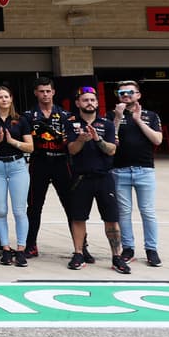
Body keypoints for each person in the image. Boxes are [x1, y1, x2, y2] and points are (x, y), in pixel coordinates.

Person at [65, 86, 129, 274]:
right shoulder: (71, 123)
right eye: (85, 100)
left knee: (111, 219)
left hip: (104, 177)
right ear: (78, 103)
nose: (89, 103)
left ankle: (116, 256)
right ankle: (78, 253)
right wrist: (82, 140)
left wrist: (97, 139)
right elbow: (71, 150)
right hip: (81, 178)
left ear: (97, 102)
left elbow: (112, 150)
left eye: (92, 100)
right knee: (78, 217)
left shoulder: (107, 124)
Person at [0, 85, 34, 267]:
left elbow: (30, 147)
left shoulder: (21, 120)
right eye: (0, 97)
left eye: (6, 97)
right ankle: (5, 248)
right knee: (0, 210)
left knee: (19, 210)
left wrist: (12, 142)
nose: (4, 100)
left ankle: (21, 249)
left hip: (17, 165)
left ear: (11, 99)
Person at [111, 80, 163, 267]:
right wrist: (117, 118)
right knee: (123, 213)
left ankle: (151, 249)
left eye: (130, 92)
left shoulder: (151, 115)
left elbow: (157, 140)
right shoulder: (112, 115)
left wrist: (138, 120)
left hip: (145, 170)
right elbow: (110, 141)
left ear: (138, 95)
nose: (126, 95)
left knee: (148, 211)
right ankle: (128, 248)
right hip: (120, 170)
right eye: (122, 92)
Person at [23, 77, 73, 258]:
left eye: (48, 91)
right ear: (36, 93)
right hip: (39, 163)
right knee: (34, 207)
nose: (45, 94)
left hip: (61, 163)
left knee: (71, 206)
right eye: (41, 91)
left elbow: (71, 141)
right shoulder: (28, 115)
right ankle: (30, 245)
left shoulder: (66, 115)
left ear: (53, 92)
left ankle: (81, 246)